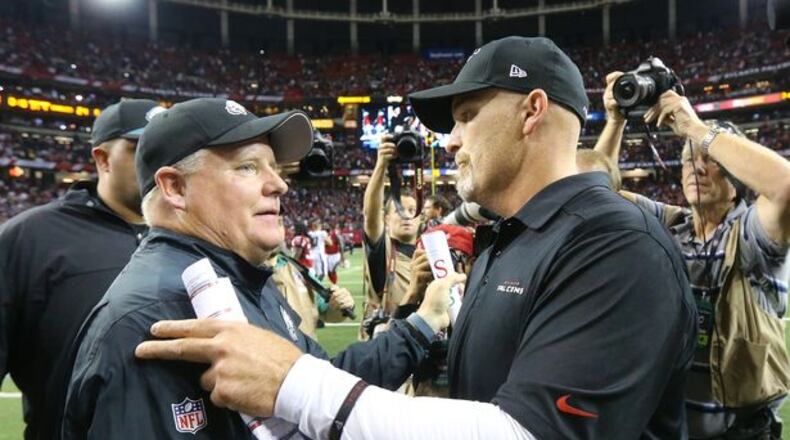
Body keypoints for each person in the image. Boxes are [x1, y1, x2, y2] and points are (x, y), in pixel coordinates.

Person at [136, 37, 698, 439]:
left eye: (467, 115)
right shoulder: (508, 236)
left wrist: (295, 384)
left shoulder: (617, 245)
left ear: (532, 111)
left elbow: (528, 431)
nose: (451, 142)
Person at [62, 98, 448, 439]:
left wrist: (420, 326)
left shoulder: (245, 280)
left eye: (275, 168)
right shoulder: (147, 322)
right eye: (248, 167)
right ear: (175, 188)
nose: (279, 184)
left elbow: (319, 384)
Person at [595, 71, 790, 439]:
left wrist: (694, 128)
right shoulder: (671, 223)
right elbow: (594, 192)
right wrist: (616, 121)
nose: (696, 166)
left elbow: (785, 186)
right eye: (688, 159)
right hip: (666, 426)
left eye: (711, 160)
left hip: (739, 432)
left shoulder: (750, 233)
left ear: (736, 182)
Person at [0, 98, 161, 440]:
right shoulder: (30, 237)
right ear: (102, 159)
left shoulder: (197, 236)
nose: (158, 161)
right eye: (140, 147)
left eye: (166, 147)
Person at [359, 136, 422, 339]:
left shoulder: (429, 254)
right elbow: (370, 214)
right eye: (400, 210)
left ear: (421, 218)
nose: (406, 215)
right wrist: (381, 166)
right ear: (386, 219)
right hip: (388, 350)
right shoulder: (383, 252)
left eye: (412, 210)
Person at [270, 217, 355, 339]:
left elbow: (326, 309)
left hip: (305, 354)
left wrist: (340, 304)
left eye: (280, 223)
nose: (275, 229)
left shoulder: (298, 271)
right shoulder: (237, 273)